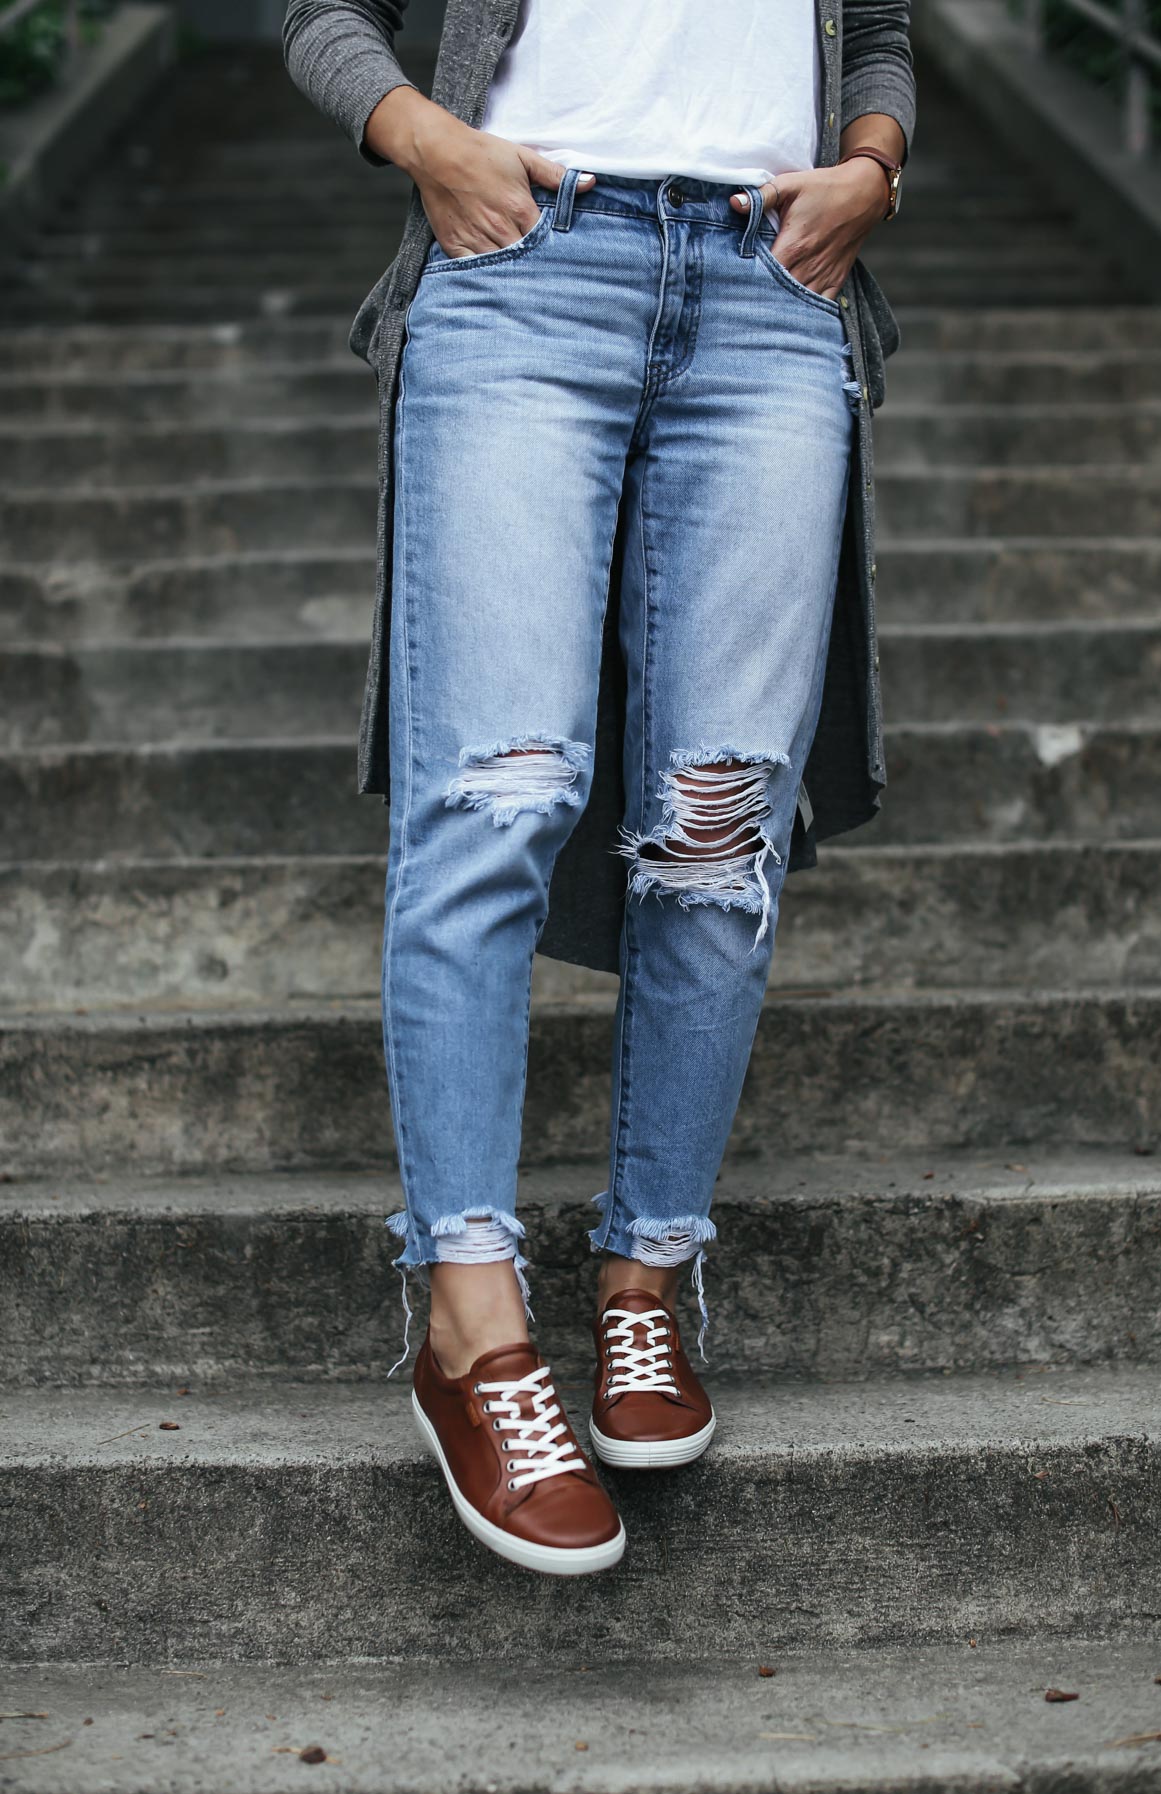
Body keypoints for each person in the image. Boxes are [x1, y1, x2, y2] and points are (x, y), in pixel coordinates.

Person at [284, 0, 915, 1576]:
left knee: (717, 828)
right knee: (494, 796)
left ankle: (645, 1280)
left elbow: (882, 28)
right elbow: (315, 11)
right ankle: (470, 1320)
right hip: (521, 271)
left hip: (774, 288)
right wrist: (421, 135)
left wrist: (872, 167)